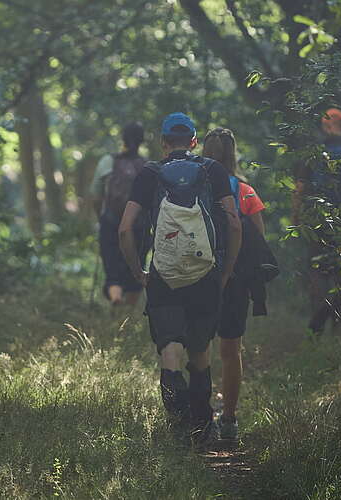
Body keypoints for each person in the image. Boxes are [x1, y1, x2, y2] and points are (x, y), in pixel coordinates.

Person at [119, 113, 242, 447]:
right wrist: (226, 271)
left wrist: (137, 272)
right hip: (205, 275)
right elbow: (233, 225)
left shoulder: (150, 174)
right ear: (193, 141)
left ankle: (178, 429)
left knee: (170, 353)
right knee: (200, 352)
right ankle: (203, 429)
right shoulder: (212, 171)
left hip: (163, 276)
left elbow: (125, 228)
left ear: (162, 143)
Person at [202, 128, 267, 441]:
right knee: (231, 350)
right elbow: (258, 240)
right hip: (235, 279)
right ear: (233, 153)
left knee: (197, 347)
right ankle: (229, 420)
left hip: (196, 275)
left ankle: (200, 418)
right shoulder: (245, 191)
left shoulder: (192, 188)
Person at [292, 108, 341, 334]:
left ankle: (318, 319)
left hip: (317, 222)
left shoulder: (314, 154)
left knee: (317, 272)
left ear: (325, 125)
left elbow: (300, 189)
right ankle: (340, 330)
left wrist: (297, 218)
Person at [90, 123, 147, 305]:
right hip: (139, 225)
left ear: (122, 139)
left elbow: (95, 195)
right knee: (136, 268)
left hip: (111, 221)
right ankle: (128, 316)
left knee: (112, 267)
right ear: (141, 141)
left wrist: (101, 217)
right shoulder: (147, 166)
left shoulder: (108, 161)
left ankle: (115, 298)